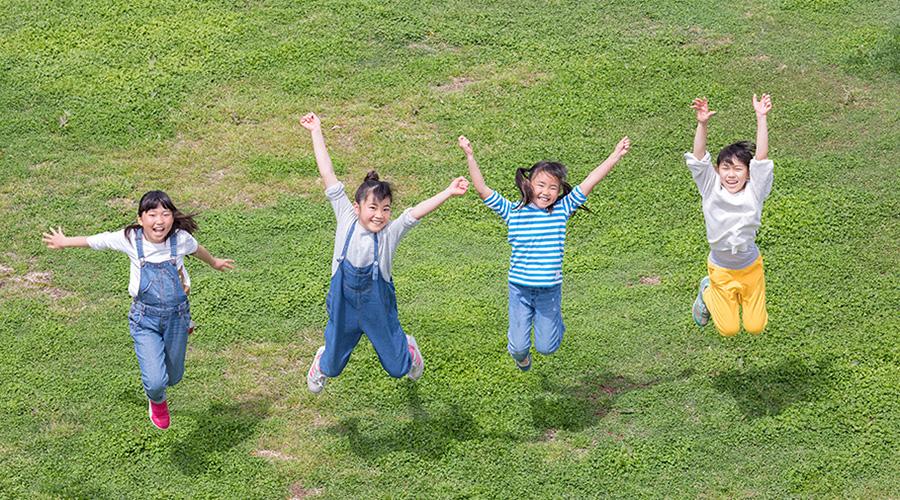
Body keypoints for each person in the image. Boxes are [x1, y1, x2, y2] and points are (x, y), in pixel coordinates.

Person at [300, 112, 469, 394]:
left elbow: (415, 212)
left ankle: (409, 349)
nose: (380, 215)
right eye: (373, 208)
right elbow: (327, 173)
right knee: (332, 367)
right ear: (357, 208)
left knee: (398, 367)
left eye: (386, 209)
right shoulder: (346, 217)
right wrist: (316, 130)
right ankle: (321, 361)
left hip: (379, 307)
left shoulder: (391, 232)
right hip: (344, 306)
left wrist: (448, 192)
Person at [41, 191, 234, 429]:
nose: (160, 220)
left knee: (174, 377)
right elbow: (98, 240)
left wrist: (214, 262)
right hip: (145, 318)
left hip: (177, 316)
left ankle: (186, 325)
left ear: (172, 218)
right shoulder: (131, 239)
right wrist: (64, 241)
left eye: (165, 214)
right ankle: (157, 402)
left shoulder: (180, 239)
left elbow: (198, 249)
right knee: (156, 382)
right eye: (152, 214)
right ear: (141, 219)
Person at [458, 134, 629, 371]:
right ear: (528, 185)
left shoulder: (561, 209)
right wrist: (470, 155)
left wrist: (614, 155)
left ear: (559, 191)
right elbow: (482, 189)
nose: (546, 192)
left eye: (553, 188)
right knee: (518, 347)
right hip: (519, 290)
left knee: (547, 348)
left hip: (549, 290)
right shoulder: (513, 212)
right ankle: (521, 357)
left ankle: (556, 324)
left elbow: (590, 181)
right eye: (541, 185)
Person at [687, 94, 773, 336]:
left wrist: (761, 118)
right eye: (726, 168)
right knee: (728, 330)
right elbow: (698, 158)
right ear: (717, 170)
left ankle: (716, 294)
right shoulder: (709, 187)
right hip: (720, 270)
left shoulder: (755, 192)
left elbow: (762, 160)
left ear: (748, 174)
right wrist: (702, 123)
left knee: (756, 327)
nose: (731, 174)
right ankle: (707, 291)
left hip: (750, 269)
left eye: (738, 169)